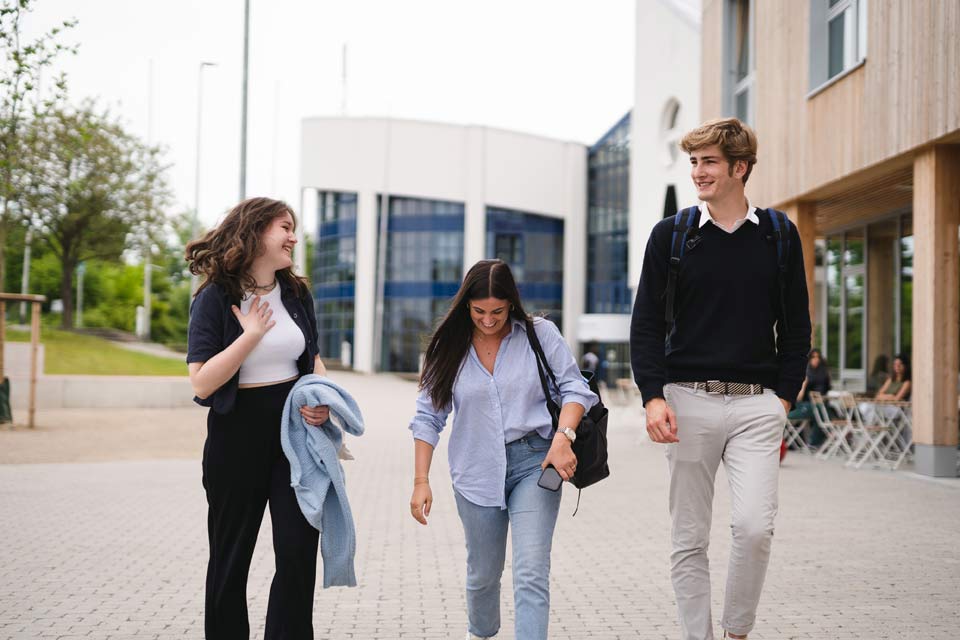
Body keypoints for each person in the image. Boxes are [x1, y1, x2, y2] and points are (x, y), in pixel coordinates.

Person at [630, 118, 811, 640]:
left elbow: (797, 326)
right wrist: (653, 397)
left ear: (740, 167)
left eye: (708, 162)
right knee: (689, 537)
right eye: (693, 162)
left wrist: (783, 399)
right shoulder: (673, 236)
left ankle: (736, 632)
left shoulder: (778, 234)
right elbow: (645, 324)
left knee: (754, 527)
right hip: (688, 404)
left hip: (758, 406)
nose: (698, 172)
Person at [408, 259, 597, 640]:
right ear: (466, 306)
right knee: (482, 576)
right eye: (479, 311)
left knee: (530, 571)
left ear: (511, 303)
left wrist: (563, 437)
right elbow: (428, 417)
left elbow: (575, 388)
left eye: (497, 310)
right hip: (475, 470)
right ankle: (480, 633)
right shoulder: (449, 348)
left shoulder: (539, 335)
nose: (489, 319)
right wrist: (420, 480)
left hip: (536, 462)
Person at [185, 197, 330, 639]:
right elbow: (201, 382)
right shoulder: (216, 297)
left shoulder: (296, 293)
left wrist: (323, 399)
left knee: (298, 551)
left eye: (294, 228)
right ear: (254, 231)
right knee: (231, 558)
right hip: (236, 437)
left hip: (294, 434)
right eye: (285, 227)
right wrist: (249, 336)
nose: (293, 237)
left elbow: (314, 358)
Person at [790, 349, 831, 447]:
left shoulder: (824, 372)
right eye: (813, 357)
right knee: (821, 411)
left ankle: (817, 440)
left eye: (818, 357)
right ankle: (816, 440)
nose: (816, 359)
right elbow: (799, 397)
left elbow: (827, 389)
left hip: (821, 403)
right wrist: (804, 384)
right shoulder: (805, 371)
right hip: (805, 404)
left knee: (824, 410)